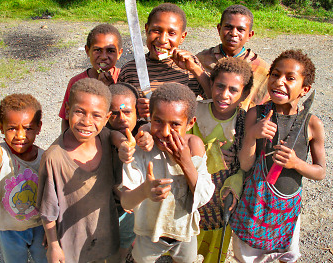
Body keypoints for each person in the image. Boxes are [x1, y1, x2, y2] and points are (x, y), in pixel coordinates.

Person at [230, 50, 326, 262]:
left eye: (290, 78)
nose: (279, 81)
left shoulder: (312, 124)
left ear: (304, 89)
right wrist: (252, 135)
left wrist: (296, 163)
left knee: (286, 255)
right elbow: (245, 164)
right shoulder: (256, 114)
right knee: (247, 256)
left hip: (288, 209)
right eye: (275, 74)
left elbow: (320, 172)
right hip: (255, 203)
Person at [120, 83, 215, 263]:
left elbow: (203, 197)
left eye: (175, 124)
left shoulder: (194, 147)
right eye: (158, 121)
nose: (164, 132)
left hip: (184, 232)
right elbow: (126, 200)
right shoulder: (141, 150)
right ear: (150, 118)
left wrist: (185, 161)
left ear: (190, 123)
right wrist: (144, 191)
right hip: (149, 232)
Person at [37, 78, 120, 263]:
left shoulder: (107, 139)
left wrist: (122, 141)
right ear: (67, 110)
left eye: (96, 115)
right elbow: (48, 210)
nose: (86, 121)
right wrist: (53, 246)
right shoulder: (54, 158)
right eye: (79, 112)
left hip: (107, 238)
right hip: (71, 246)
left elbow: (115, 136)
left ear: (107, 118)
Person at [189, 57, 253, 262]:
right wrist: (207, 152)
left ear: (243, 94)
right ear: (211, 84)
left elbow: (245, 165)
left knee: (213, 251)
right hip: (191, 195)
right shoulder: (194, 111)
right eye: (219, 86)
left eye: (233, 90)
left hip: (220, 203)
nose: (224, 95)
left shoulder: (244, 121)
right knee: (184, 248)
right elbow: (179, 144)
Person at [0, 94, 47, 263]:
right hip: (9, 230)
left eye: (27, 128)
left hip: (40, 227)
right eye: (12, 128)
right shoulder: (1, 154)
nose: (20, 135)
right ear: (1, 127)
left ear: (39, 127)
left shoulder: (44, 158)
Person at [118, 3, 211, 118]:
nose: (162, 40)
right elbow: (118, 106)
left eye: (171, 33)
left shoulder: (190, 67)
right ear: (147, 29)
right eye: (156, 31)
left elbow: (215, 100)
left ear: (182, 37)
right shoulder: (130, 70)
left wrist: (195, 69)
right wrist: (134, 111)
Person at [107, 82, 154, 262]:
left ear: (137, 112)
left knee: (125, 240)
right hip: (108, 206)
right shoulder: (102, 134)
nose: (122, 118)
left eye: (127, 112)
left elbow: (146, 128)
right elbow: (114, 136)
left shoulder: (143, 131)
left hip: (133, 209)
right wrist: (122, 144)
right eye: (115, 113)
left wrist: (147, 135)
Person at [196, 4, 270, 110]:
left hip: (245, 124)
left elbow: (266, 105)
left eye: (240, 29)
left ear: (250, 35)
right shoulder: (202, 60)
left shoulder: (261, 68)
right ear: (219, 29)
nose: (233, 33)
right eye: (228, 27)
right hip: (209, 122)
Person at [59, 23, 123, 131]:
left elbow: (125, 111)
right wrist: (66, 141)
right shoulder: (77, 82)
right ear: (87, 51)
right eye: (97, 50)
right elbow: (66, 118)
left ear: (119, 53)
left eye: (110, 51)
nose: (103, 57)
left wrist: (110, 89)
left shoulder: (123, 78)